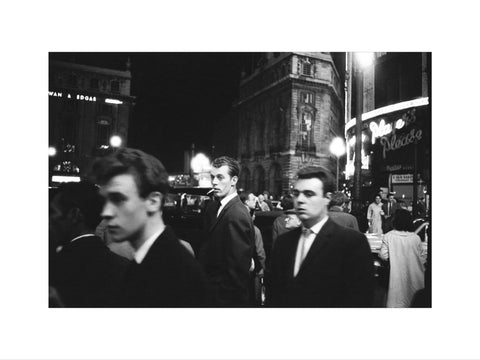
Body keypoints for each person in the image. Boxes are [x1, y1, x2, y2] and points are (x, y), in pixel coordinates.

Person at [91, 147, 211, 307]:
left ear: (153, 202)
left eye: (118, 199)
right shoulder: (151, 259)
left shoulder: (176, 273)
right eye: (105, 200)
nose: (106, 212)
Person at [266, 166, 374, 307]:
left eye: (309, 194)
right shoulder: (283, 242)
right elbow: (274, 294)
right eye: (296, 193)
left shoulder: (352, 243)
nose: (300, 200)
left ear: (327, 198)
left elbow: (359, 300)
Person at [49, 181, 129, 307]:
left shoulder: (55, 267)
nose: (49, 220)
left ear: (75, 215)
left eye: (52, 212)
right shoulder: (123, 267)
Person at [199, 156, 255, 306]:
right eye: (212, 177)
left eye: (220, 177)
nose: (214, 182)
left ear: (234, 180)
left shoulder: (237, 215)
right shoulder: (214, 207)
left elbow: (237, 274)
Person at [379, 209, 427, 307]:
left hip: (396, 276)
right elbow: (422, 258)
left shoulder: (389, 236)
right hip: (415, 276)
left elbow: (383, 255)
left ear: (394, 221)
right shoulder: (415, 238)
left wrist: (394, 257)